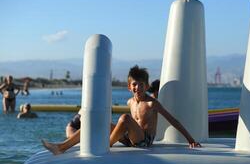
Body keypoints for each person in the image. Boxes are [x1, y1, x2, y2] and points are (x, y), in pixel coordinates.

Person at [42, 65, 201, 155]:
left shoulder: (152, 104)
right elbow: (126, 126)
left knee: (124, 118)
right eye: (134, 84)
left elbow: (173, 120)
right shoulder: (130, 101)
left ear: (146, 86)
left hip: (144, 141)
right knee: (99, 122)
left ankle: (106, 144)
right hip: (129, 138)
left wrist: (191, 140)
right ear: (129, 87)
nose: (137, 87)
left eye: (140, 84)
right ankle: (61, 147)